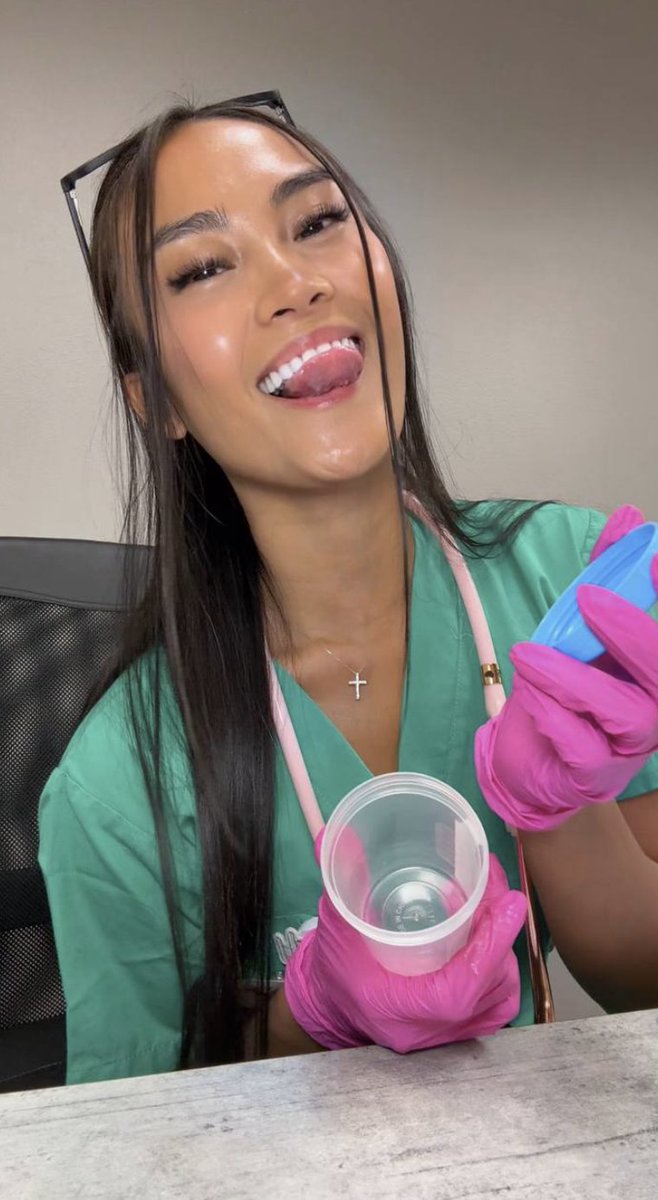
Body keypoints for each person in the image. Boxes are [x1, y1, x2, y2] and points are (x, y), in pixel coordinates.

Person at [39, 100, 658, 1086]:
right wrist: (311, 1010)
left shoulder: (568, 591)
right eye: (202, 269)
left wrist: (559, 810)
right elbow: (131, 1127)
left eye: (318, 220)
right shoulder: (114, 787)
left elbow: (641, 985)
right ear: (155, 401)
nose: (296, 283)